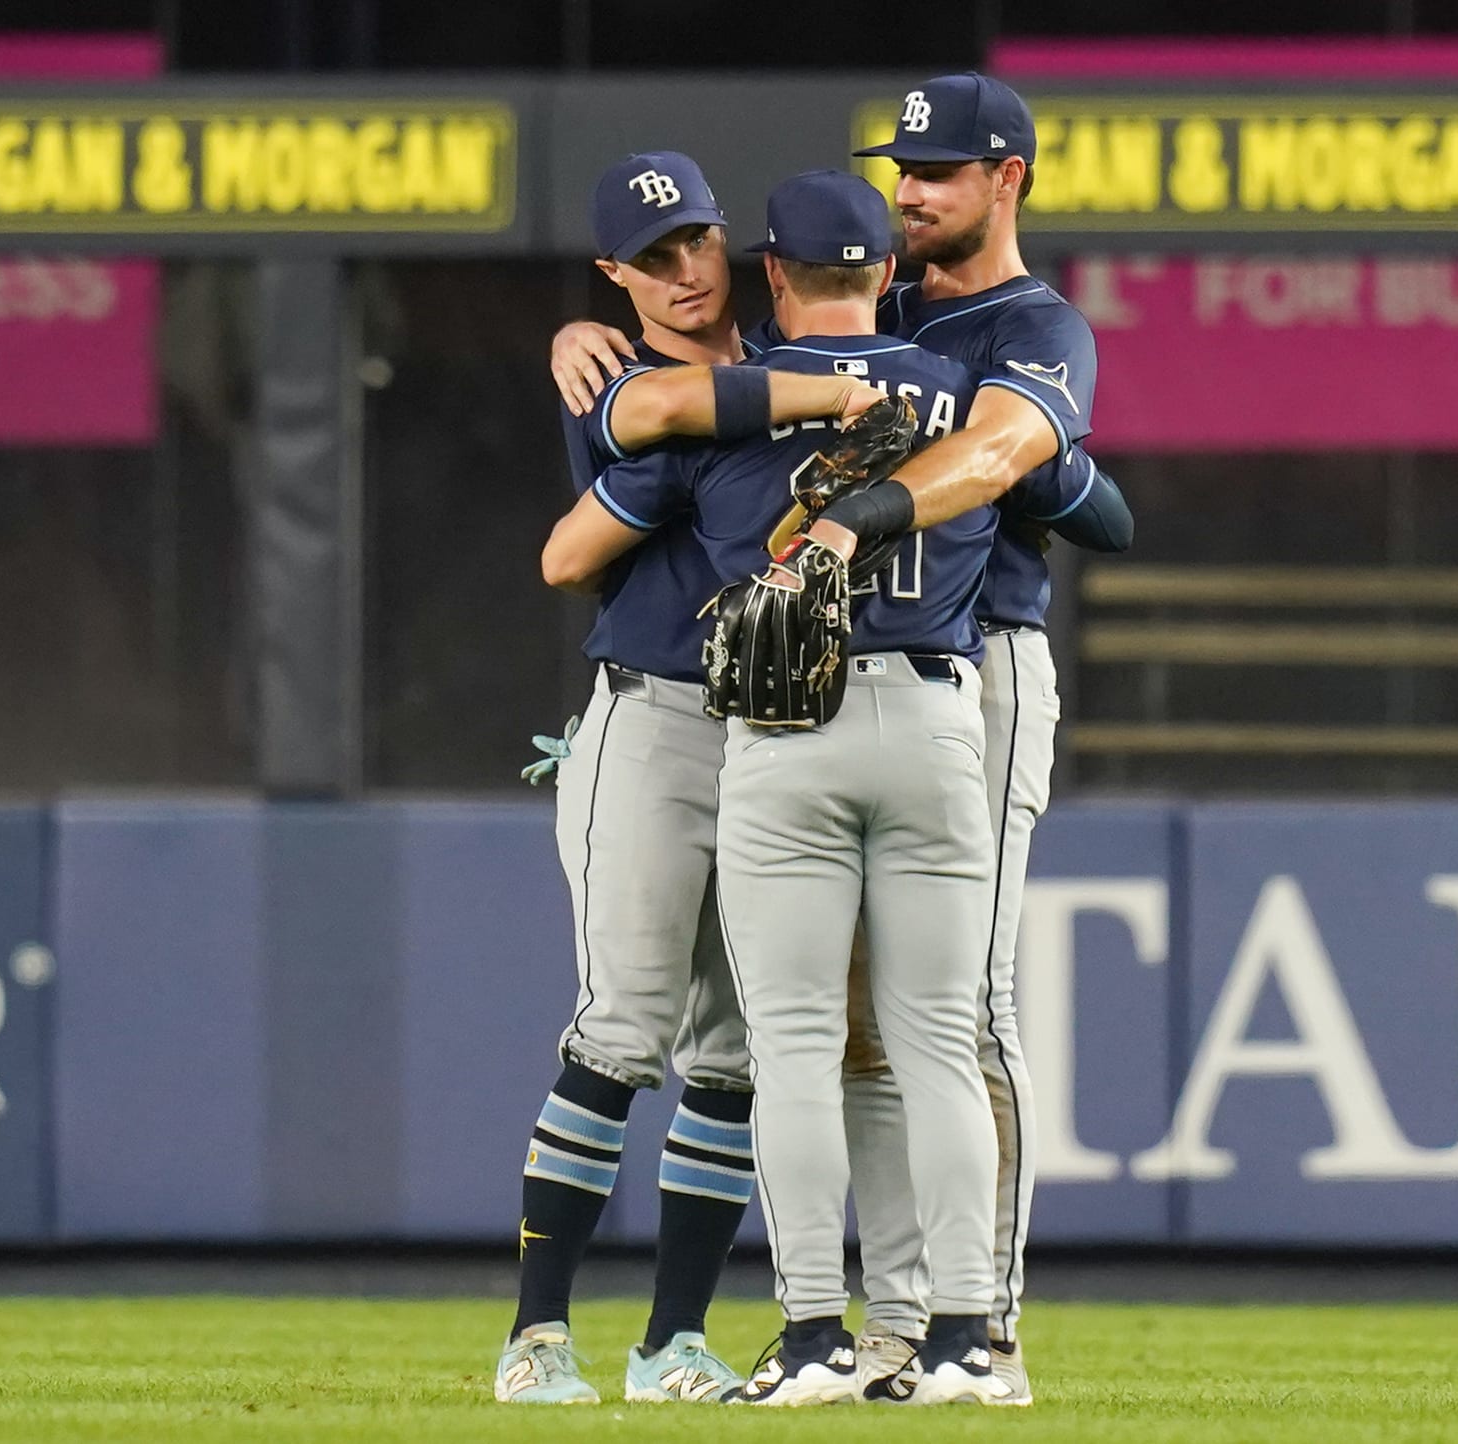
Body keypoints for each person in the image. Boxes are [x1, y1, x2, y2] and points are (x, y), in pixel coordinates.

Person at [549, 72, 1127, 1406]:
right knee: (872, 1032)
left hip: (980, 667)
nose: (914, 189)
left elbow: (996, 462)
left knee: (950, 1018)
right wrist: (580, 350)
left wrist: (846, 521)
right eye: (901, 173)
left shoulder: (1036, 323)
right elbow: (700, 359)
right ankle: (907, 1325)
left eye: (941, 169)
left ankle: (974, 1331)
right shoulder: (910, 318)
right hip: (889, 692)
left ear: (1009, 181)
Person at [497, 150, 884, 1407]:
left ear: (732, 245)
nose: (680, 271)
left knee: (732, 1055)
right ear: (615, 275)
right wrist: (582, 334)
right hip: (654, 717)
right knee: (622, 1025)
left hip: (778, 737)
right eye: (648, 258)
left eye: (694, 244)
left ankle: (674, 1341)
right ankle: (536, 1338)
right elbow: (568, 555)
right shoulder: (611, 373)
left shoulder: (798, 346)